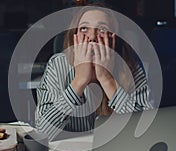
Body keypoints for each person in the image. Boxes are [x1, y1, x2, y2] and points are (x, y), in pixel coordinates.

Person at [35, 3, 153, 140]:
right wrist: (78, 82)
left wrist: (106, 78)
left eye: (102, 29)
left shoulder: (131, 68)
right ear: (75, 36)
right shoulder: (57, 65)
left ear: (114, 39)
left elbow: (146, 132)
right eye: (84, 28)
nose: (92, 37)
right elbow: (42, 132)